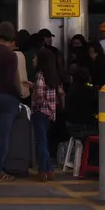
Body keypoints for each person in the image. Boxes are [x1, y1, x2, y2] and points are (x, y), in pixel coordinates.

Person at [0, 22, 23, 181]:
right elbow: (13, 79)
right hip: (7, 98)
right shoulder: (10, 55)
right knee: (3, 135)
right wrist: (19, 95)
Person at [31, 47, 61, 182]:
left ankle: (43, 170)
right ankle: (49, 170)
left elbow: (39, 95)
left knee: (41, 141)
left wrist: (34, 100)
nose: (33, 59)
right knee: (44, 140)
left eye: (35, 57)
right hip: (49, 113)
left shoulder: (40, 75)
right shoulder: (52, 76)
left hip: (39, 112)